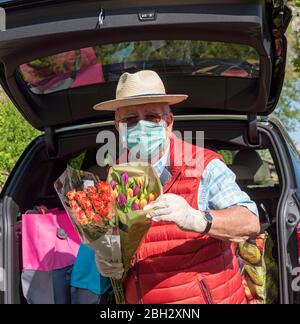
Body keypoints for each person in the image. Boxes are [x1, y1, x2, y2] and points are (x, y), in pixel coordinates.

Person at [93, 70, 260, 304]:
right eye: (129, 119)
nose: (140, 126)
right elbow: (116, 240)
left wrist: (197, 219)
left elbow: (250, 222)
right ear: (118, 126)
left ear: (168, 123)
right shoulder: (117, 175)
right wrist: (108, 260)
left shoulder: (204, 166)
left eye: (151, 117)